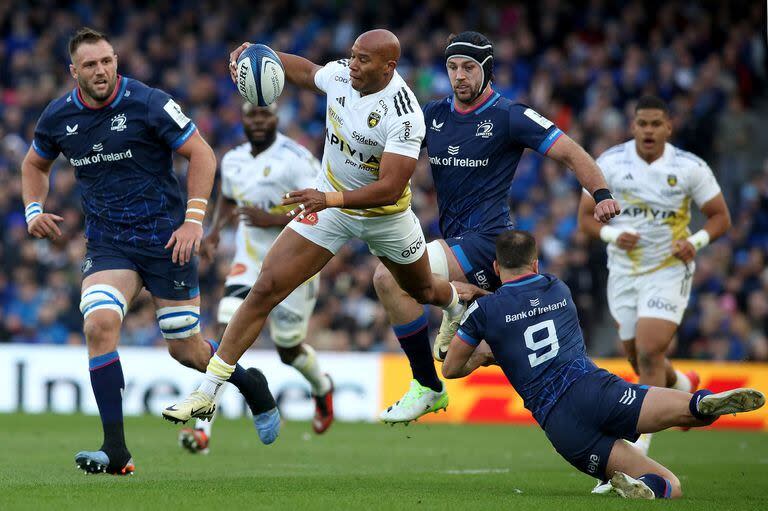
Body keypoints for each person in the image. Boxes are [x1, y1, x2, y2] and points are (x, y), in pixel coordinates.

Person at [163, 29, 469, 423]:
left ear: (388, 66)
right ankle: (208, 391)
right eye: (352, 55)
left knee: (423, 289)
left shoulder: (404, 114)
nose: (352, 64)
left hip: (385, 217)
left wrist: (330, 199)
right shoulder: (343, 75)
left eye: (363, 60)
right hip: (330, 206)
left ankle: (455, 304)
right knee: (266, 287)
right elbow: (305, 72)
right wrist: (259, 53)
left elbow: (390, 187)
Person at [21, 28, 278, 475]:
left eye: (106, 61)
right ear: (73, 72)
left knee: (185, 349)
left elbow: (202, 155)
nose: (100, 71)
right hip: (109, 244)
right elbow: (34, 163)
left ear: (116, 60)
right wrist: (32, 209)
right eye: (89, 65)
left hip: (166, 240)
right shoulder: (59, 116)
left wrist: (193, 221)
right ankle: (116, 451)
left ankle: (249, 381)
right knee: (98, 324)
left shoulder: (147, 102)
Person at [374, 31, 621, 424]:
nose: (459, 76)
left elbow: (572, 153)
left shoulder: (510, 116)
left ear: (486, 69)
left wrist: (602, 192)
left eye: (469, 67)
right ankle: (612, 452)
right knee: (541, 382)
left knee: (389, 278)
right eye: (452, 67)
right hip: (460, 243)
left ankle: (431, 372)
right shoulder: (432, 116)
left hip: (487, 241)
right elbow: (385, 148)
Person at [442, 230, 764, 499]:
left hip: (561, 423)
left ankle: (645, 486)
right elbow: (526, 308)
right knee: (693, 412)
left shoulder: (486, 313)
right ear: (536, 263)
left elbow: (451, 367)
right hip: (594, 389)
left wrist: (485, 352)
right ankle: (699, 402)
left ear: (496, 267)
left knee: (671, 486)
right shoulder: (558, 287)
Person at [578, 95, 732, 455]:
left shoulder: (689, 167)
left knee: (649, 351)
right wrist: (615, 235)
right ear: (633, 127)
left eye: (655, 124)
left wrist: (696, 241)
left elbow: (720, 217)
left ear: (668, 127)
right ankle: (681, 384)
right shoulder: (611, 163)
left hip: (668, 268)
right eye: (642, 124)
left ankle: (639, 445)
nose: (648, 130)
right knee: (636, 356)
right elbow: (585, 218)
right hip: (624, 271)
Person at [178, 101, 333, 454]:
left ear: (277, 118)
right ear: (243, 118)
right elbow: (230, 199)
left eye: (266, 115)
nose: (259, 121)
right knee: (224, 333)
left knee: (288, 349)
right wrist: (215, 231)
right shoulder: (232, 160)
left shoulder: (295, 158)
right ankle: (203, 430)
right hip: (248, 264)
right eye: (252, 115)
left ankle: (323, 388)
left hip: (297, 262)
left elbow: (319, 205)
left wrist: (272, 219)